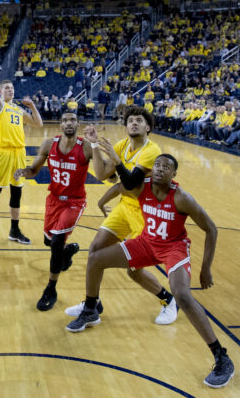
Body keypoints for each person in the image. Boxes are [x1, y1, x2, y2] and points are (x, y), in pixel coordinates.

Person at [66, 154, 235, 388]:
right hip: (146, 243)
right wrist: (101, 203)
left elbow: (211, 229)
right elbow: (119, 185)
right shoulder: (140, 187)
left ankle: (221, 357)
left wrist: (206, 268)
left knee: (183, 295)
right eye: (157, 165)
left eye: (166, 167)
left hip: (173, 248)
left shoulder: (182, 198)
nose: (159, 169)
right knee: (95, 257)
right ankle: (91, 309)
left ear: (174, 175)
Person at [65, 106, 177, 325]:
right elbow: (101, 173)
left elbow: (131, 182)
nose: (133, 123)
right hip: (125, 207)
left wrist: (116, 160)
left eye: (139, 121)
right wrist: (95, 145)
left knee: (133, 272)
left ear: (148, 127)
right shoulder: (122, 145)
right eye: (130, 121)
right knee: (95, 251)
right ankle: (92, 305)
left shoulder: (152, 151)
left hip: (146, 214)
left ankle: (169, 300)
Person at [14, 112, 91, 311]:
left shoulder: (86, 146)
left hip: (74, 202)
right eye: (65, 120)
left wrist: (110, 174)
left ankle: (51, 288)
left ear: (78, 124)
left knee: (56, 241)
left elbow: (103, 171)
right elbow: (34, 169)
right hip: (54, 200)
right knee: (49, 241)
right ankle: (67, 252)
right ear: (60, 125)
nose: (69, 123)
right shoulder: (49, 144)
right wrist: (25, 171)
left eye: (73, 119)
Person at [0, 42, 43, 244]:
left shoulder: (18, 110)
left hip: (19, 154)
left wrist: (33, 105)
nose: (10, 90)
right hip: (3, 153)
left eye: (12, 88)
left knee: (17, 192)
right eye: (6, 88)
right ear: (0, 92)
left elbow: (38, 124)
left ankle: (14, 231)